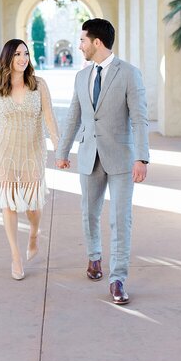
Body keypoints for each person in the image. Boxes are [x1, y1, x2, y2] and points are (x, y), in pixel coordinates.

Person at [56, 18, 149, 304]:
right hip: (88, 155)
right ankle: (94, 257)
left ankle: (118, 278)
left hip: (121, 157)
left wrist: (142, 158)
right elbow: (74, 115)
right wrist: (62, 151)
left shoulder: (129, 74)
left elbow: (139, 118)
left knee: (121, 220)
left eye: (83, 40)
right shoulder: (81, 76)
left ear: (97, 42)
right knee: (89, 213)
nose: (79, 45)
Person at [0, 39, 59, 281]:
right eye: (17, 54)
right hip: (5, 153)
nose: (23, 58)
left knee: (33, 206)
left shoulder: (39, 85)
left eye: (26, 54)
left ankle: (34, 233)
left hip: (33, 151)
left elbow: (50, 118)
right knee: (9, 204)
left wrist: (59, 149)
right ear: (8, 59)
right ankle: (15, 256)